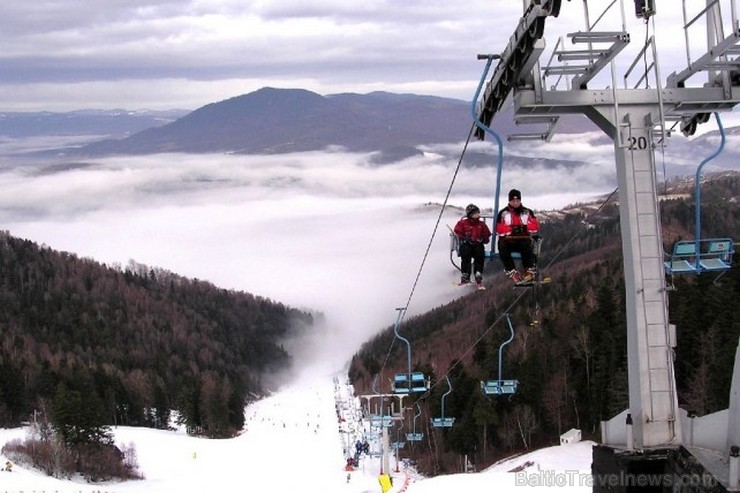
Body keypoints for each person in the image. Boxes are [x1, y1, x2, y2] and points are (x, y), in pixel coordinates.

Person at [496, 189, 540, 283]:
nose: (515, 203)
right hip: (508, 240)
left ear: (520, 200)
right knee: (502, 246)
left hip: (523, 239)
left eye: (517, 200)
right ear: (509, 201)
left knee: (527, 247)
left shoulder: (527, 212)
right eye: (513, 201)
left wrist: (524, 228)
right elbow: (499, 229)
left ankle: (528, 270)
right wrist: (511, 230)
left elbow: (535, 227)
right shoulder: (503, 213)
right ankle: (512, 271)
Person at [454, 204, 492, 286]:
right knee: (465, 255)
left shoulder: (481, 224)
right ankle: (465, 274)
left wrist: (483, 239)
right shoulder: (463, 223)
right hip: (467, 244)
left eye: (477, 212)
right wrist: (464, 238)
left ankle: (478, 272)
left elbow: (486, 234)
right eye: (475, 213)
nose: (477, 214)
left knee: (479, 255)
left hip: (478, 244)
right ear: (470, 214)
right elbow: (458, 231)